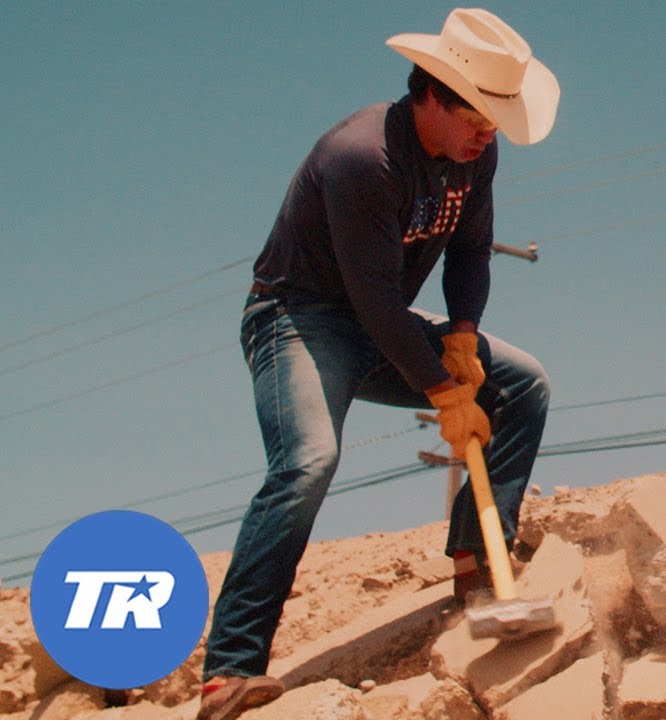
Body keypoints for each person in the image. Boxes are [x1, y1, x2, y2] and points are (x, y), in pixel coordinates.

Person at [197, 9, 559, 720]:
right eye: (479, 115)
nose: (489, 132)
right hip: (298, 318)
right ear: (434, 93)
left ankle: (477, 564)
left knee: (524, 383)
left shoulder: (475, 155)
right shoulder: (363, 157)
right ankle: (230, 672)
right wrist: (439, 388)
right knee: (308, 461)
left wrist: (461, 335)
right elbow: (372, 298)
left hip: (385, 321)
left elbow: (470, 251)